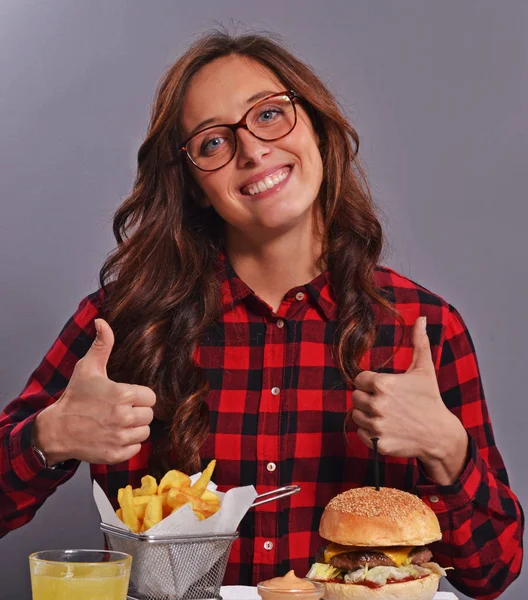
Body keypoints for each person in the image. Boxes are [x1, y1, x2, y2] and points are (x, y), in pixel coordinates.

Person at [0, 31, 523, 598]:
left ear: (317, 129)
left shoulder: (423, 327)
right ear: (196, 187)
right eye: (213, 142)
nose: (251, 150)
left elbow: (491, 575)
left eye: (269, 114)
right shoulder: (120, 323)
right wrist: (47, 439)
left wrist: (448, 450)